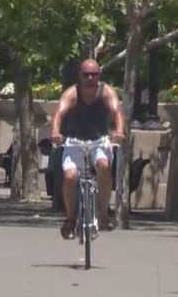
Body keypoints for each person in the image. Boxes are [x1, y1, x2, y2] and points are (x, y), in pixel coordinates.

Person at [50, 58, 126, 238]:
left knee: (103, 165)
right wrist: (55, 132)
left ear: (99, 75)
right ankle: (70, 218)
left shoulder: (106, 92)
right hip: (74, 142)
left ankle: (103, 212)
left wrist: (119, 131)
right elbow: (58, 113)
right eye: (86, 75)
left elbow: (117, 112)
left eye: (94, 74)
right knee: (69, 177)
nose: (90, 78)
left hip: (99, 141)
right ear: (80, 76)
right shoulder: (72, 93)